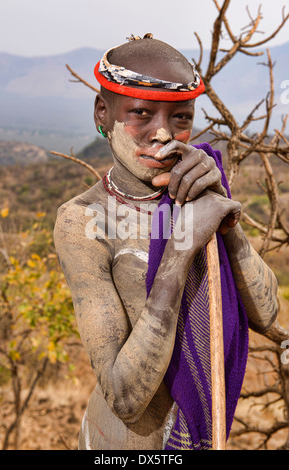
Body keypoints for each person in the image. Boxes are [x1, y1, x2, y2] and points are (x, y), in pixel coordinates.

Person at [53, 35, 278, 450]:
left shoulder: (197, 193)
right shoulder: (83, 221)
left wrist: (226, 222)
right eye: (141, 113)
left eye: (181, 118)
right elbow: (124, 396)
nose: (162, 133)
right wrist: (178, 251)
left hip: (203, 432)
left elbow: (268, 317)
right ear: (103, 113)